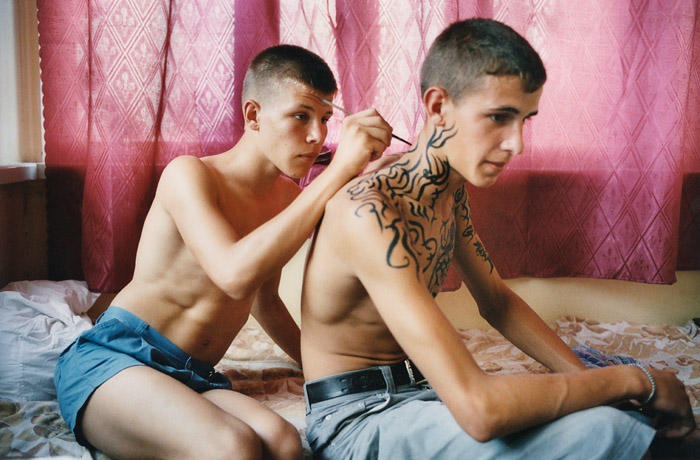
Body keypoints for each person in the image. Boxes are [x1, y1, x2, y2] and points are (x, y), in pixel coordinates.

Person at [300, 18, 696, 459]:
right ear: (438, 107)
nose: (516, 144)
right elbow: (480, 411)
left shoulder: (446, 191)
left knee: (621, 419)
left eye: (524, 120)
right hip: (358, 420)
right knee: (606, 431)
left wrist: (594, 385)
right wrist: (636, 381)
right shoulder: (368, 212)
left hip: (419, 396)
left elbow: (497, 302)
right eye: (498, 118)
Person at [54, 44, 394, 460]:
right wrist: (340, 170)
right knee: (234, 448)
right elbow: (234, 276)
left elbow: (265, 302)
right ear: (253, 116)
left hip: (192, 374)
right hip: (117, 356)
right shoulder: (190, 174)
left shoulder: (288, 198)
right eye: (300, 116)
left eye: (325, 119)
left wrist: (323, 368)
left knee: (286, 445)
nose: (317, 136)